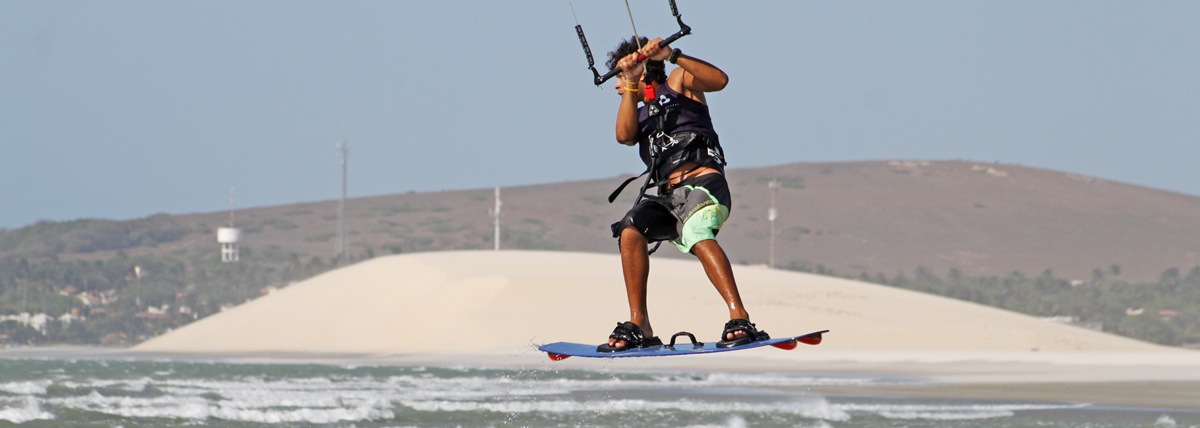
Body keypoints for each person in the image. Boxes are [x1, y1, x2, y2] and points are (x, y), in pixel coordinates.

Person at [597, 36, 769, 352]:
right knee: (630, 230)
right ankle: (640, 324)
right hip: (668, 197)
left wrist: (671, 54)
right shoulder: (638, 108)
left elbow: (719, 80)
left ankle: (740, 316)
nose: (616, 85)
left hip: (703, 184)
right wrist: (631, 86)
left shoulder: (678, 82)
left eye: (618, 78)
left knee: (696, 231)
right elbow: (624, 136)